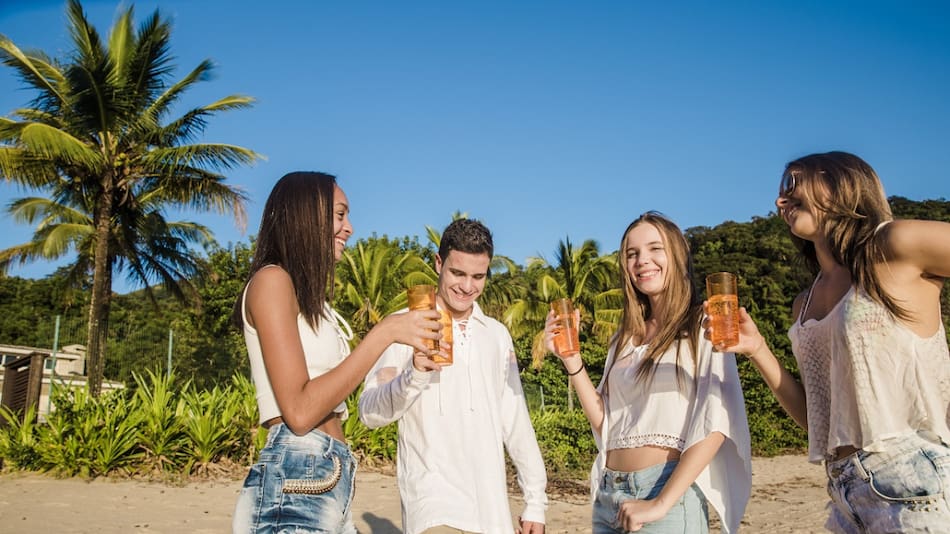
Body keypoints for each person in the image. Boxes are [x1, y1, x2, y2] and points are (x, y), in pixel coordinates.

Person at [708, 150, 950, 532]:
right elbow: (817, 420)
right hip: (843, 489)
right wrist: (757, 350)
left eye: (793, 183)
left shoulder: (892, 244)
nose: (780, 200)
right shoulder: (803, 304)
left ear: (841, 182)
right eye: (780, 190)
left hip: (912, 476)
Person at [231, 172, 442, 533]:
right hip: (298, 476)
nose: (350, 228)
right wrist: (385, 333)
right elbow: (299, 412)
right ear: (306, 217)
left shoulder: (310, 298)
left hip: (325, 478)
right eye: (340, 215)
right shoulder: (271, 281)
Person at [545, 211, 751, 533]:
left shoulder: (706, 323)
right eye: (632, 253)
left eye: (655, 249)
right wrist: (571, 360)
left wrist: (661, 503)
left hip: (665, 492)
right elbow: (606, 424)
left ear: (678, 255)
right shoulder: (623, 338)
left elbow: (716, 422)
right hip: (609, 492)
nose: (642, 260)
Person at [358, 218, 548, 534]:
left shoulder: (497, 335)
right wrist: (414, 374)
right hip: (433, 507)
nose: (467, 286)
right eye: (457, 273)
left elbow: (515, 421)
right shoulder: (402, 325)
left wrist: (535, 502)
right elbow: (369, 412)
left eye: (478, 276)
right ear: (438, 263)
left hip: (492, 513)